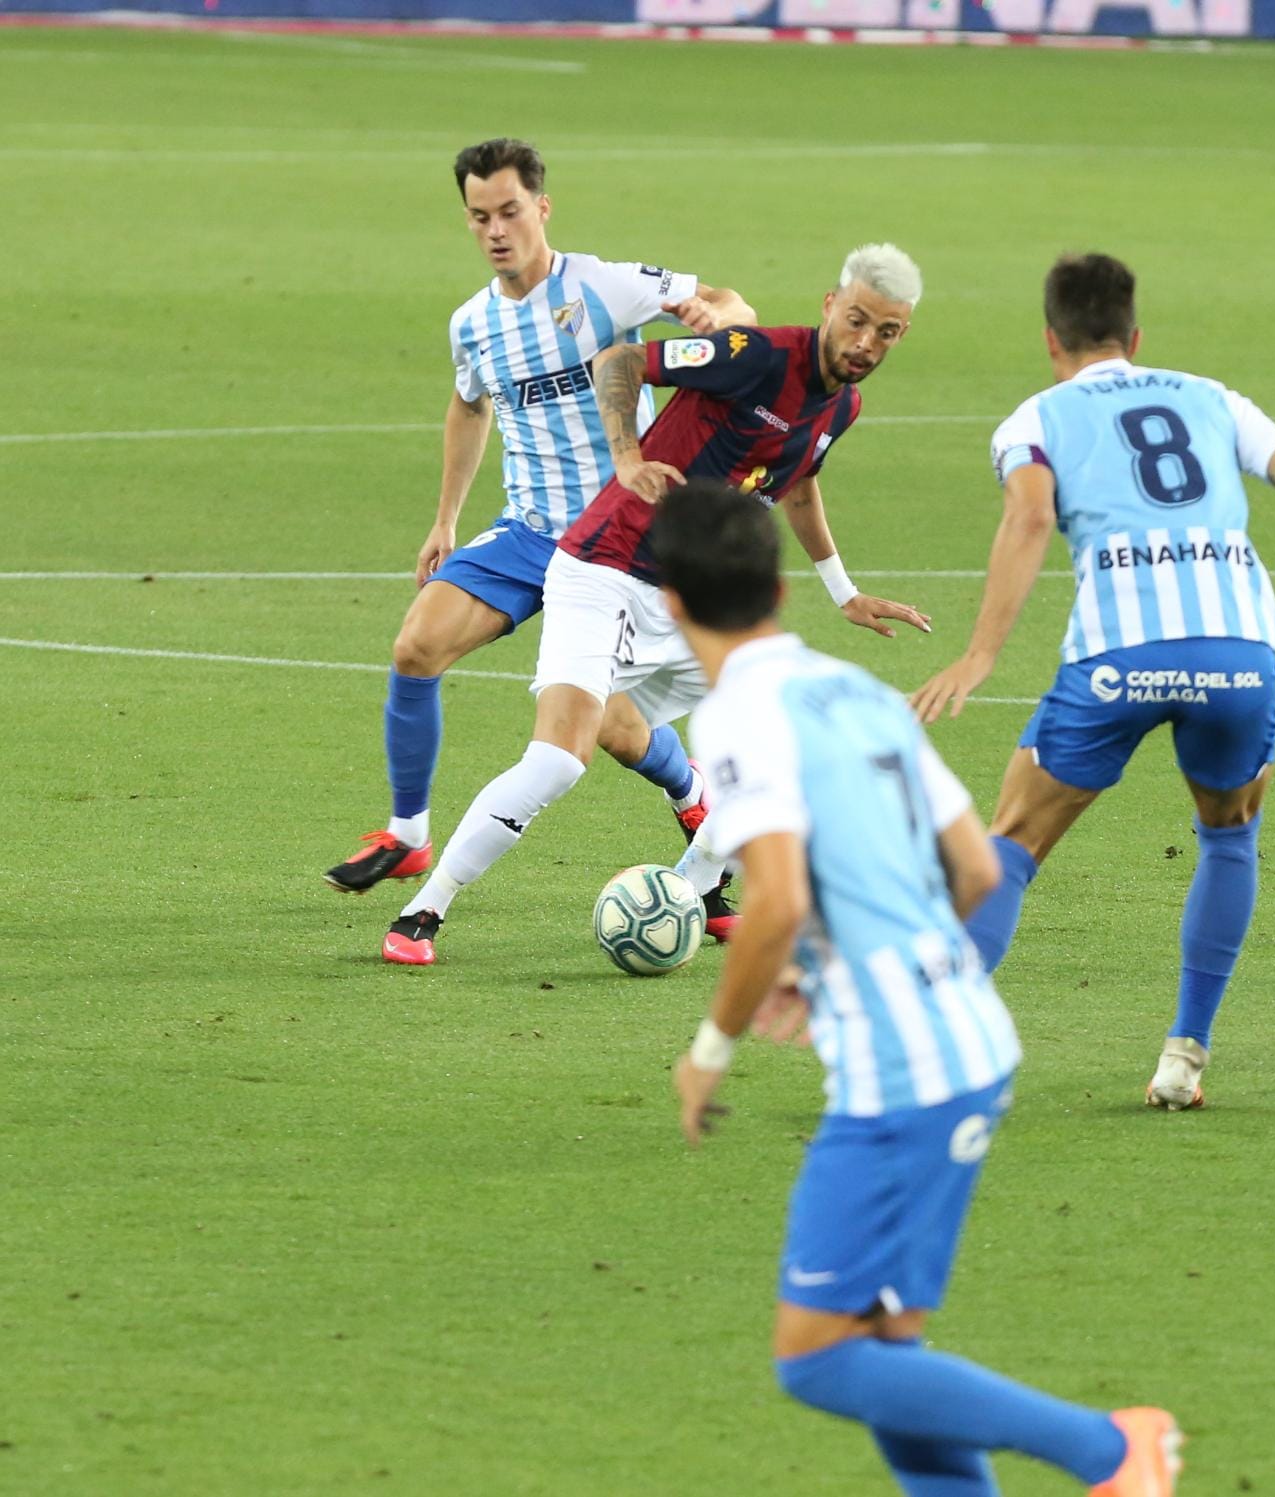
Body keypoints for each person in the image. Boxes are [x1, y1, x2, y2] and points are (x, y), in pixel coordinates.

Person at [658, 481, 1183, 1497]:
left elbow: (774, 901)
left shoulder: (735, 718)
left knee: (818, 1359)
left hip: (901, 1080)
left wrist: (710, 1049)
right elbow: (977, 868)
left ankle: (1110, 1448)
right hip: (969, 1038)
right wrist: (839, 960)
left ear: (672, 602)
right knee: (885, 1348)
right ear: (779, 587)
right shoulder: (852, 688)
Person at [912, 252, 1275, 1111]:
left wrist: (980, 655)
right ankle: (1184, 1057)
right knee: (1229, 835)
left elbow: (1031, 515)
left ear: (1052, 340)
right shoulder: (1215, 399)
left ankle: (924, 1054)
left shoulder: (1034, 418)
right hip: (1237, 653)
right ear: (1135, 335)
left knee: (1014, 839)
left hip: (1117, 658)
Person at [380, 245, 932, 966]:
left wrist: (844, 590)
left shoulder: (843, 404)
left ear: (901, 335)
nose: (864, 343)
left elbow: (798, 483)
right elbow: (620, 362)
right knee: (559, 760)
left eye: (885, 332)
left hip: (692, 601)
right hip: (604, 568)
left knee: (773, 750)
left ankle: (691, 890)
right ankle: (425, 908)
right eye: (856, 320)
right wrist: (627, 458)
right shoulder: (756, 355)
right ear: (831, 305)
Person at [323, 136, 754, 899]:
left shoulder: (604, 287)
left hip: (618, 543)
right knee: (417, 645)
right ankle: (410, 834)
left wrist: (707, 313)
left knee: (611, 726)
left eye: (510, 211)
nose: (496, 230)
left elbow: (733, 305)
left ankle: (691, 794)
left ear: (542, 207)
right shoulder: (472, 323)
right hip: (529, 531)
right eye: (480, 216)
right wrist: (446, 520)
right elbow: (468, 406)